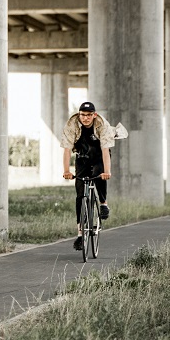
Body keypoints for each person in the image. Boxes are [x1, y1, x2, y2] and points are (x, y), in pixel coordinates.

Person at [61, 101, 115, 251]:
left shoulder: (101, 124)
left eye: (89, 115)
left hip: (99, 155)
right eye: (83, 115)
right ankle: (80, 234)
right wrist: (66, 170)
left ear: (94, 115)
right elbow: (67, 150)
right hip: (82, 156)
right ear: (79, 115)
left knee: (99, 173)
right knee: (79, 194)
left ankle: (103, 204)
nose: (85, 118)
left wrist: (107, 172)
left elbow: (105, 151)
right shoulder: (72, 124)